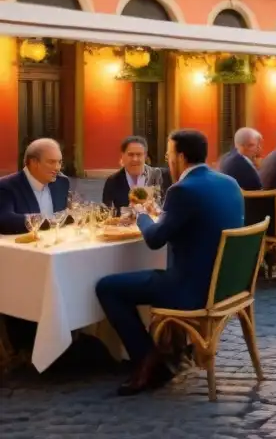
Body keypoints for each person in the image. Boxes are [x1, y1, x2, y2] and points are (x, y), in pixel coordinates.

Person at [95, 129, 243, 396]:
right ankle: (161, 353)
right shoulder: (228, 182)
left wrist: (141, 214)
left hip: (191, 289)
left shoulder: (182, 189)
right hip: (227, 286)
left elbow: (154, 240)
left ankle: (147, 360)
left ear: (181, 157)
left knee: (107, 287)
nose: (167, 159)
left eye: (168, 154)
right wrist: (161, 215)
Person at [0, 138, 71, 234]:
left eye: (59, 162)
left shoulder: (61, 182)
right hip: (23, 246)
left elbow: (67, 215)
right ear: (34, 162)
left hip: (57, 244)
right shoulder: (5, 186)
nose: (57, 168)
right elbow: (4, 219)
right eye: (51, 162)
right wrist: (45, 220)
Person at [101, 136, 166, 210]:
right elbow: (105, 211)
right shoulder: (112, 180)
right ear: (122, 155)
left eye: (139, 154)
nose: (135, 159)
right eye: (131, 154)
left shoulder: (155, 174)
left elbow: (162, 205)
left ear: (145, 156)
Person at [218, 127, 263, 191]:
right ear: (247, 146)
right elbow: (258, 187)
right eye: (256, 145)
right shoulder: (242, 164)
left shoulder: (225, 157)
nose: (258, 149)